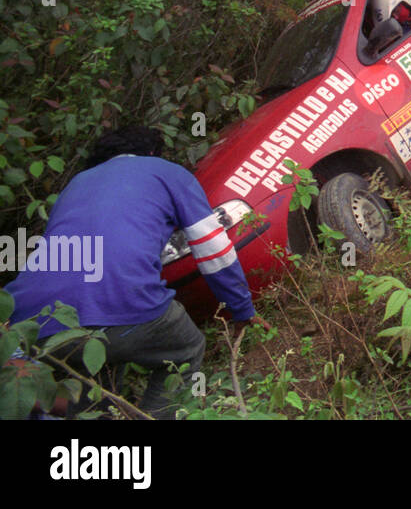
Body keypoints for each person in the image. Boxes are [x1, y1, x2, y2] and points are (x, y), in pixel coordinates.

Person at [5, 126, 257, 418]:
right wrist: (242, 310)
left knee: (95, 388)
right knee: (185, 348)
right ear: (151, 153)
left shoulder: (76, 184)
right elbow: (213, 248)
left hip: (30, 323)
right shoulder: (166, 172)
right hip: (124, 305)